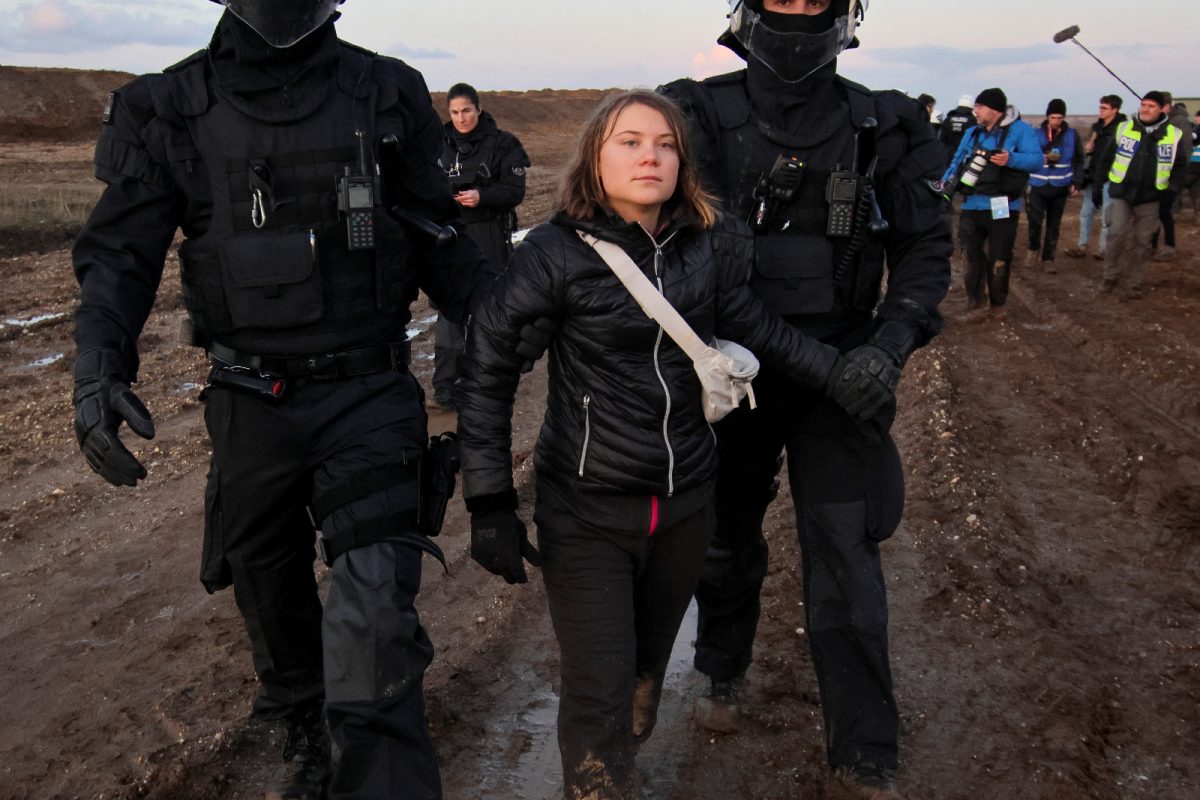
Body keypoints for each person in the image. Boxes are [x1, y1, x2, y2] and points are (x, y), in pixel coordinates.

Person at [69, 2, 494, 798]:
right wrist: (98, 365)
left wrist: (528, 326)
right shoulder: (164, 106)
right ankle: (301, 723)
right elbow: (121, 255)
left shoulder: (386, 91)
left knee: (373, 624)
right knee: (273, 601)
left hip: (368, 393)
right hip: (247, 403)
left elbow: (439, 237)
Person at [457, 89, 877, 800]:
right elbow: (487, 369)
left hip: (685, 506)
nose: (649, 154)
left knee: (645, 665)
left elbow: (762, 331)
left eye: (664, 143)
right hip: (586, 510)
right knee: (599, 686)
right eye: (628, 141)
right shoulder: (554, 255)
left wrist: (850, 379)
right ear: (595, 157)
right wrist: (490, 500)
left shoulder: (705, 249)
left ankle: (636, 711)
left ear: (683, 161)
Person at [658, 2, 952, 796]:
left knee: (847, 555)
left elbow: (927, 247)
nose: (794, 11)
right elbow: (703, 264)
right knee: (722, 536)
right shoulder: (692, 113)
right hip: (733, 372)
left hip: (849, 375)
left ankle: (863, 747)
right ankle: (721, 665)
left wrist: (890, 345)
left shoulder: (885, 123)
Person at [432, 82, 530, 410]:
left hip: (491, 235)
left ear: (479, 109)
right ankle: (446, 389)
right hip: (451, 237)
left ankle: (490, 384)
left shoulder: (503, 144)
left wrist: (481, 197)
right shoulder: (437, 145)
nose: (461, 118)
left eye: (467, 111)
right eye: (455, 112)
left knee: (490, 312)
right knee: (449, 315)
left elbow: (515, 190)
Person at [942, 87, 1041, 321]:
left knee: (999, 255)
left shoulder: (1021, 131)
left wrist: (1011, 158)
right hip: (971, 204)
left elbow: (1037, 160)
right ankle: (976, 304)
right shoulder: (973, 133)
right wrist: (944, 185)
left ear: (995, 110)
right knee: (971, 256)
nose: (975, 111)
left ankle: (998, 304)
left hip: (1003, 204)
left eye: (979, 107)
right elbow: (957, 161)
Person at [1094, 91, 1189, 299]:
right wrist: (1097, 185)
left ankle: (1134, 282)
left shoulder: (1173, 134)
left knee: (1142, 242)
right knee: (1116, 234)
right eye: (1143, 105)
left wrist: (1172, 190)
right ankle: (1110, 275)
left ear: (1162, 109)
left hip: (1152, 197)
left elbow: (1181, 166)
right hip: (1122, 193)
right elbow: (1106, 159)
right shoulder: (1124, 128)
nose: (1145, 109)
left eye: (1151, 106)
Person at [1024, 98, 1083, 273]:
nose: (1056, 121)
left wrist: (1077, 182)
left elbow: (1079, 159)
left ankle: (1048, 258)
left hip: (1060, 184)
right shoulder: (1035, 134)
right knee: (1034, 221)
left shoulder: (1072, 135)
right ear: (1047, 116)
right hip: (1038, 183)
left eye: (1059, 117)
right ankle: (1033, 249)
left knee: (1054, 224)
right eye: (1053, 117)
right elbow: (1025, 155)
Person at [1066, 95, 1125, 260]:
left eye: (1105, 108)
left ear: (1115, 110)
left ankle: (1103, 250)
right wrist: (1090, 149)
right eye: (1101, 107)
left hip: (1109, 177)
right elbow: (1092, 152)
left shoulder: (1122, 129)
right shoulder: (1097, 127)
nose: (1101, 110)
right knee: (1086, 212)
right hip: (1093, 175)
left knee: (1107, 215)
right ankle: (1082, 245)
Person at [1150, 93, 1193, 261]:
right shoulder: (1164, 122)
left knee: (1164, 213)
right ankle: (1152, 246)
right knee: (1154, 212)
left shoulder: (1178, 122)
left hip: (1170, 178)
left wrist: (1176, 181)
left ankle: (1169, 246)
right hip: (1156, 177)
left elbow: (1184, 152)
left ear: (1166, 106)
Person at [939, 94, 977, 168]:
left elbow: (941, 139)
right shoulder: (973, 120)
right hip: (964, 157)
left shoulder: (948, 119)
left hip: (947, 157)